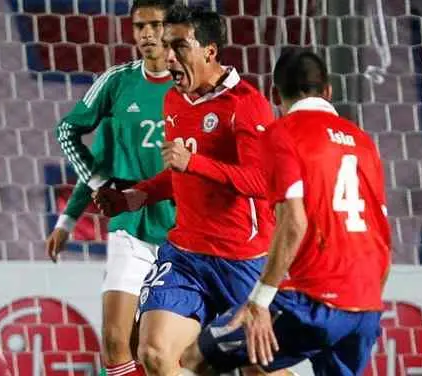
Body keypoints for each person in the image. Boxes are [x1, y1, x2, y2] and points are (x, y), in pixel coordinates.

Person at [178, 50, 391, 376]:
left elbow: (294, 222)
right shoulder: (364, 142)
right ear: (329, 91)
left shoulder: (284, 132)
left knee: (197, 357)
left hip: (314, 302)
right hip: (366, 307)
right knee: (257, 365)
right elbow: (382, 236)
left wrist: (260, 301)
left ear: (275, 95)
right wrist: (369, 301)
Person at [93, 5, 276, 376]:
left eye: (179, 47)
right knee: (155, 353)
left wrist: (195, 164)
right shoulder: (175, 100)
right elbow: (178, 174)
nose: (168, 57)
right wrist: (136, 196)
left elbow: (262, 182)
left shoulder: (246, 104)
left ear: (209, 51)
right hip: (186, 256)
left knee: (259, 370)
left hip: (241, 260)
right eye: (166, 46)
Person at [47, 1, 176, 374]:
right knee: (117, 341)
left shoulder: (189, 88)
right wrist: (68, 219)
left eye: (156, 25)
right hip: (130, 228)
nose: (147, 33)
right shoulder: (118, 83)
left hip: (180, 228)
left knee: (163, 348)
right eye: (139, 26)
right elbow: (90, 153)